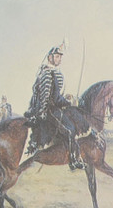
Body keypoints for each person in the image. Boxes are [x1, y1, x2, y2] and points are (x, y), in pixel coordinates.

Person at [25, 42, 86, 170]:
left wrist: (67, 99)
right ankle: (73, 160)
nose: (59, 59)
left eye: (60, 57)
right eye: (57, 56)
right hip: (49, 109)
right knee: (70, 130)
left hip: (53, 107)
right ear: (50, 58)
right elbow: (49, 98)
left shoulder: (53, 73)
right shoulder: (48, 73)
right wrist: (68, 103)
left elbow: (56, 95)